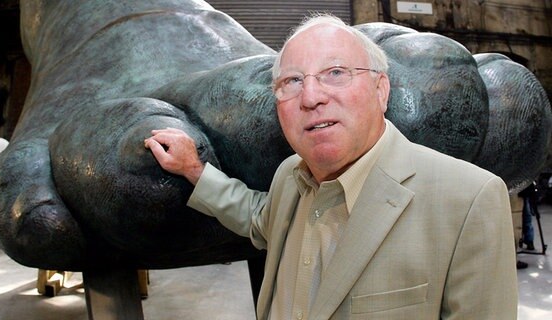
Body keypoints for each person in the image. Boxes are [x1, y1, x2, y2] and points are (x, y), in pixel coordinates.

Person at [145, 14, 518, 320]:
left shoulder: (468, 200)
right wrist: (194, 170)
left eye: (336, 73)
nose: (311, 97)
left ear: (381, 90)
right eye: (291, 81)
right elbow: (261, 219)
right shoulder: (290, 177)